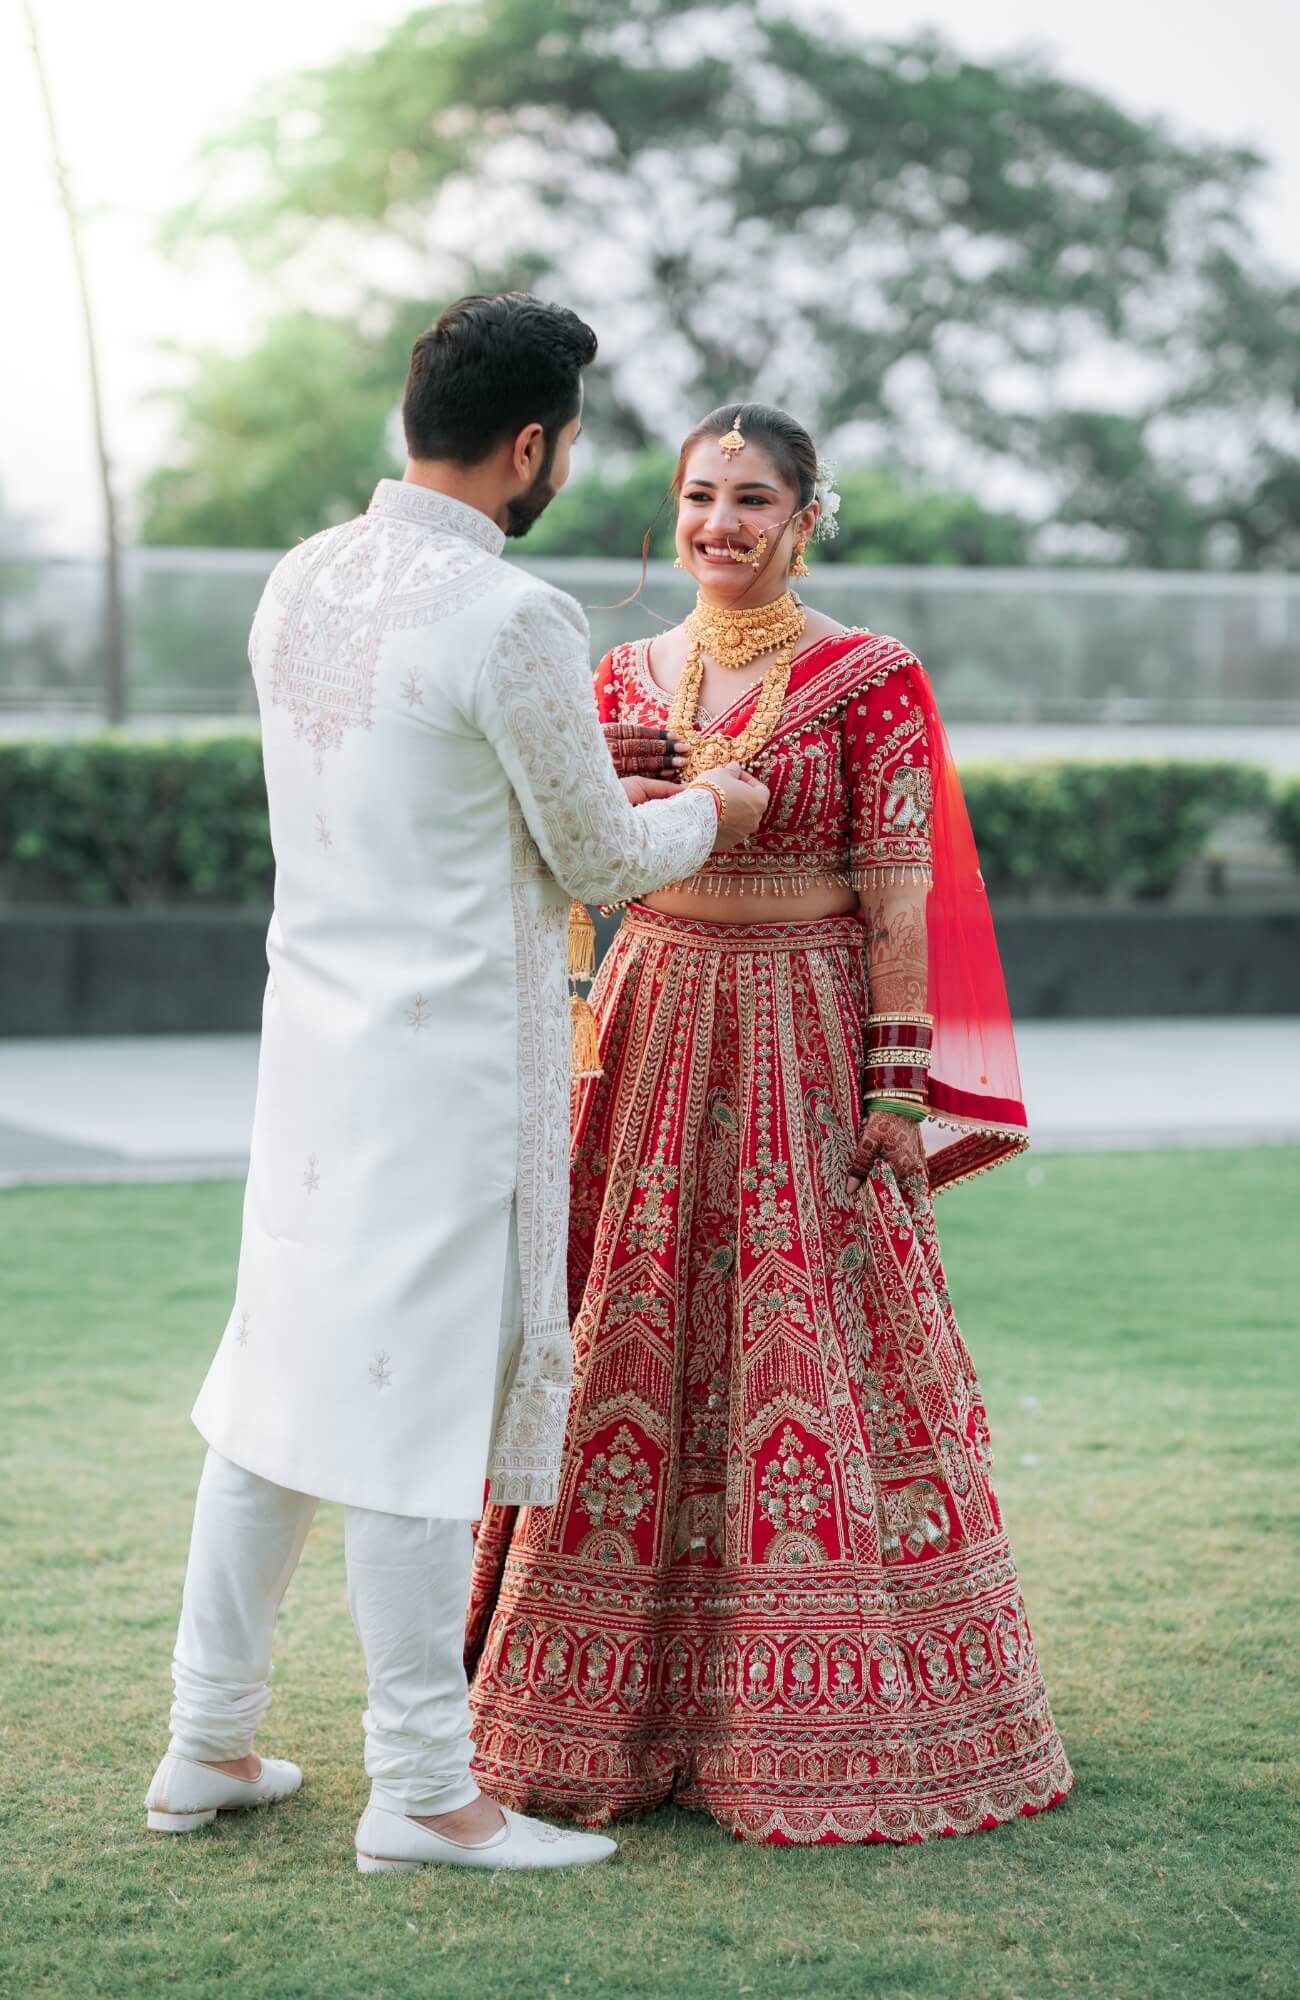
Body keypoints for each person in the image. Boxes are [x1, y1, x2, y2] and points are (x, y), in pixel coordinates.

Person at [144, 299, 768, 1874]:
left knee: (275, 1396)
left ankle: (206, 1740)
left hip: (312, 1064)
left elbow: (407, 792)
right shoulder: (515, 619)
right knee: (420, 1412)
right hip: (447, 1084)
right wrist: (723, 808)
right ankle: (424, 1789)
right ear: (537, 446)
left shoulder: (298, 581)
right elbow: (604, 857)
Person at [465, 402, 1075, 1845]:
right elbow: (576, 866)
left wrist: (894, 1090)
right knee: (628, 1324)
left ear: (808, 517)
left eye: (750, 501)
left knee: (801, 1338)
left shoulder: (870, 676)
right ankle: (593, 1689)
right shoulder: (619, 672)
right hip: (652, 1015)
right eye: (697, 498)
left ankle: (815, 1693)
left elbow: (900, 893)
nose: (718, 526)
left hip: (806, 1031)